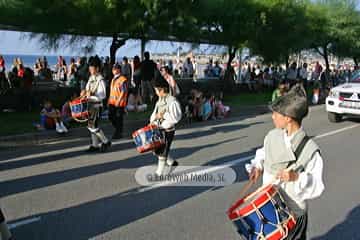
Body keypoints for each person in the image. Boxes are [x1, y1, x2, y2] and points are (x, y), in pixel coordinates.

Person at [246, 84, 324, 239]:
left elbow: (317, 184)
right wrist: (258, 166)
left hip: (293, 213)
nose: (273, 116)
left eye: (276, 113)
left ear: (288, 118)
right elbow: (263, 153)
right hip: (269, 207)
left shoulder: (310, 149)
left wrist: (296, 177)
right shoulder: (272, 135)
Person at [150, 72, 182, 176]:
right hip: (159, 129)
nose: (155, 92)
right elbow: (154, 114)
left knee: (162, 152)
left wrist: (163, 116)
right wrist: (153, 120)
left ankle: (159, 173)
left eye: (156, 90)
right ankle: (172, 163)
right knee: (158, 150)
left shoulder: (172, 101)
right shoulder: (159, 101)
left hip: (168, 131)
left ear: (162, 90)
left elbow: (176, 117)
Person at [81, 56, 111, 153]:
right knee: (91, 125)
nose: (90, 69)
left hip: (97, 105)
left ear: (97, 68)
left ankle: (105, 141)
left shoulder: (100, 79)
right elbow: (87, 89)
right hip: (90, 104)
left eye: (92, 67)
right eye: (89, 67)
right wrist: (84, 92)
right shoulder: (91, 78)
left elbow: (103, 95)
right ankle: (95, 145)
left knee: (93, 125)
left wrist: (92, 93)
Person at [108, 63, 128, 139]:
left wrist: (119, 100)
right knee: (111, 117)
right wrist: (108, 100)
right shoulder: (113, 79)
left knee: (119, 118)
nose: (113, 70)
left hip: (119, 103)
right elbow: (112, 91)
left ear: (119, 70)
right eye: (113, 69)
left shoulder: (122, 79)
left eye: (115, 69)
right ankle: (119, 130)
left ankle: (118, 133)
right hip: (112, 102)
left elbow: (123, 91)